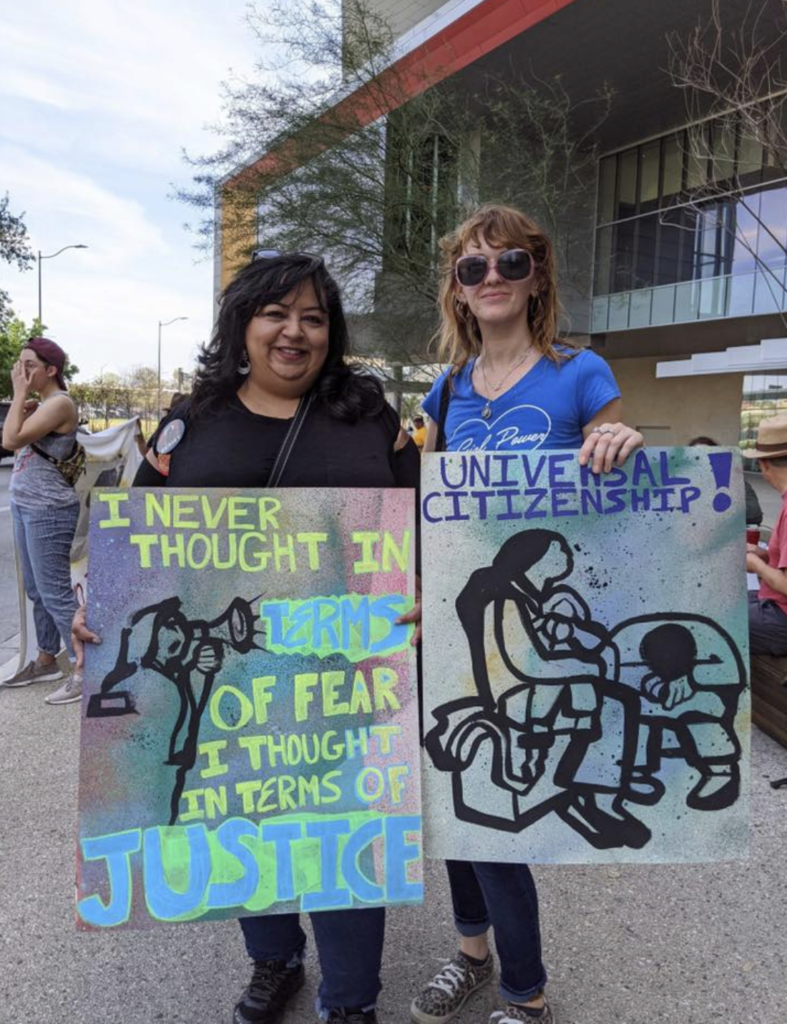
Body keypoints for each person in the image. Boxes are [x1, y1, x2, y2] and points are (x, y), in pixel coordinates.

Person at [72, 252, 421, 1024]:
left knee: (345, 824)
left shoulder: (367, 415)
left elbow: (420, 520)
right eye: (276, 314)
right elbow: (138, 541)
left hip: (345, 662)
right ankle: (274, 961)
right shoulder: (191, 421)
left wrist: (426, 588)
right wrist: (97, 606)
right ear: (242, 324)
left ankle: (351, 1001)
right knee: (239, 808)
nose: (294, 332)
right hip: (226, 668)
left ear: (330, 333)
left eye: (314, 317)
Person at [413, 204, 645, 1024]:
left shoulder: (580, 373)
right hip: (450, 621)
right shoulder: (444, 391)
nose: (490, 279)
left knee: (500, 822)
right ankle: (471, 953)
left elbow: (620, 466)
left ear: (536, 275)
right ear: (458, 288)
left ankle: (526, 993)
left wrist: (621, 441)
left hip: (533, 631)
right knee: (454, 800)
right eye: (472, 267)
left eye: (509, 263)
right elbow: (415, 500)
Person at [2, 337, 82, 705]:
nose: (22, 371)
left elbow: (10, 439)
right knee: (36, 590)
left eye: (29, 365)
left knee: (55, 593)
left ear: (51, 370)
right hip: (24, 503)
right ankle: (47, 658)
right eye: (20, 365)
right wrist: (25, 402)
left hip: (48, 510)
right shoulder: (43, 405)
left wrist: (18, 395)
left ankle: (87, 670)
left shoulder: (61, 403)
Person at [742, 414, 787, 656]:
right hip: (775, 604)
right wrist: (764, 554)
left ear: (764, 465)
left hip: (781, 618)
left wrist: (756, 565)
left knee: (704, 615)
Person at [689, 435, 763, 526]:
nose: (703, 461)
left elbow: (754, 513)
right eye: (697, 457)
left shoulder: (735, 481)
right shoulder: (678, 486)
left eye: (708, 455)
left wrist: (716, 508)